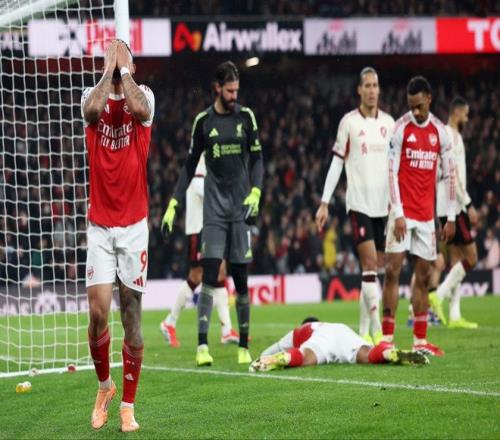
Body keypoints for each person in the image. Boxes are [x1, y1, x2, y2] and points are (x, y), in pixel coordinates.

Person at [161, 61, 263, 366]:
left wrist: (256, 191)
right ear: (217, 88)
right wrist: (174, 203)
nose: (234, 95)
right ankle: (202, 346)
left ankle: (243, 346)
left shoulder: (246, 117)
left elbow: (258, 158)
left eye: (237, 90)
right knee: (208, 277)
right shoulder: (203, 122)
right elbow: (189, 165)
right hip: (214, 214)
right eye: (229, 90)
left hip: (239, 212)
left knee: (240, 279)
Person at [82, 40, 154, 432]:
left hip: (134, 227)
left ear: (133, 66)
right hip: (100, 224)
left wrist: (123, 69)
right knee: (97, 312)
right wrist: (108, 69)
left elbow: (140, 110)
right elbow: (91, 112)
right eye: (110, 57)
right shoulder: (91, 97)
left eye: (121, 55)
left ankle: (128, 405)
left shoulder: (145, 96)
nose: (114, 60)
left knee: (132, 316)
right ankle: (104, 387)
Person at [316, 67, 395, 345]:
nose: (372, 90)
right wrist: (324, 202)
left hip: (383, 207)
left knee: (374, 270)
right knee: (370, 264)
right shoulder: (349, 123)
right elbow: (337, 163)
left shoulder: (389, 123)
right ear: (359, 90)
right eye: (367, 86)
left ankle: (362, 331)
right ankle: (378, 331)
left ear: (379, 89)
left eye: (375, 85)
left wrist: (398, 205)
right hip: (359, 204)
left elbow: (394, 167)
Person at [382, 76, 456, 357]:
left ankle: (420, 342)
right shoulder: (400, 129)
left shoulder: (441, 132)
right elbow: (391, 173)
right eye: (411, 106)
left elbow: (449, 175)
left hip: (426, 217)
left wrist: (449, 217)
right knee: (392, 271)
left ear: (429, 99)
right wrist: (398, 213)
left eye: (419, 106)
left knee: (423, 278)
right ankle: (387, 340)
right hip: (402, 214)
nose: (415, 111)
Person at [160, 153, 239, 347]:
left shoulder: (207, 172)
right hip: (198, 232)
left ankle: (227, 330)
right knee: (196, 276)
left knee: (221, 272)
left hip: (210, 230)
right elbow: (210, 194)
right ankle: (169, 322)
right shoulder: (197, 173)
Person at [428, 97, 479, 329]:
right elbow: (454, 175)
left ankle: (455, 315)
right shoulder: (452, 136)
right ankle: (438, 296)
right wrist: (468, 204)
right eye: (465, 114)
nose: (467, 118)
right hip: (454, 205)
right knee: (472, 257)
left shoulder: (446, 135)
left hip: (445, 203)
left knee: (457, 259)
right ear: (457, 113)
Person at [249, 317, 428, 372]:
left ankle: (282, 359)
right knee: (367, 354)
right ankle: (389, 353)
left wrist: (263, 357)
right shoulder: (329, 324)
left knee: (305, 357)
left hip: (323, 338)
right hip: (343, 330)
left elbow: (276, 346)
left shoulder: (302, 329)